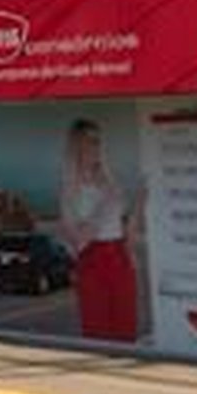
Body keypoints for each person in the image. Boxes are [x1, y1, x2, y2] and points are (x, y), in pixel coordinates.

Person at [59, 118, 143, 342]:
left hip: (120, 258)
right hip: (92, 261)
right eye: (90, 140)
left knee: (126, 330)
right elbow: (78, 238)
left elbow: (127, 230)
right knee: (98, 332)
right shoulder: (70, 187)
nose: (96, 146)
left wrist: (140, 202)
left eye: (98, 141)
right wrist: (106, 203)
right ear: (77, 146)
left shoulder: (110, 180)